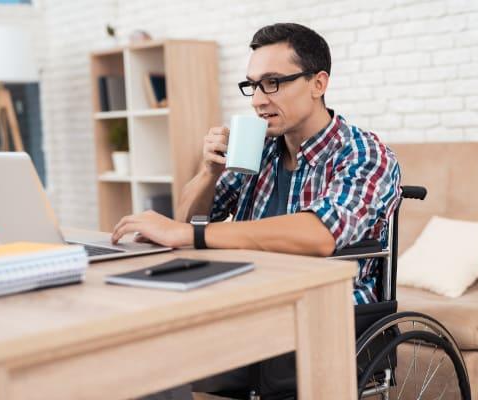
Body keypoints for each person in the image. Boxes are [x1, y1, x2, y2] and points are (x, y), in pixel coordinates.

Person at [112, 22, 401, 399]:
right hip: (247, 304)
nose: (258, 100)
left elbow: (320, 235)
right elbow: (187, 221)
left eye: (273, 82)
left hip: (324, 316)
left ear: (318, 83)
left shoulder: (362, 153)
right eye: (252, 85)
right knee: (139, 345)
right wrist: (208, 172)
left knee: (167, 361)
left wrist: (190, 235)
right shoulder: (260, 150)